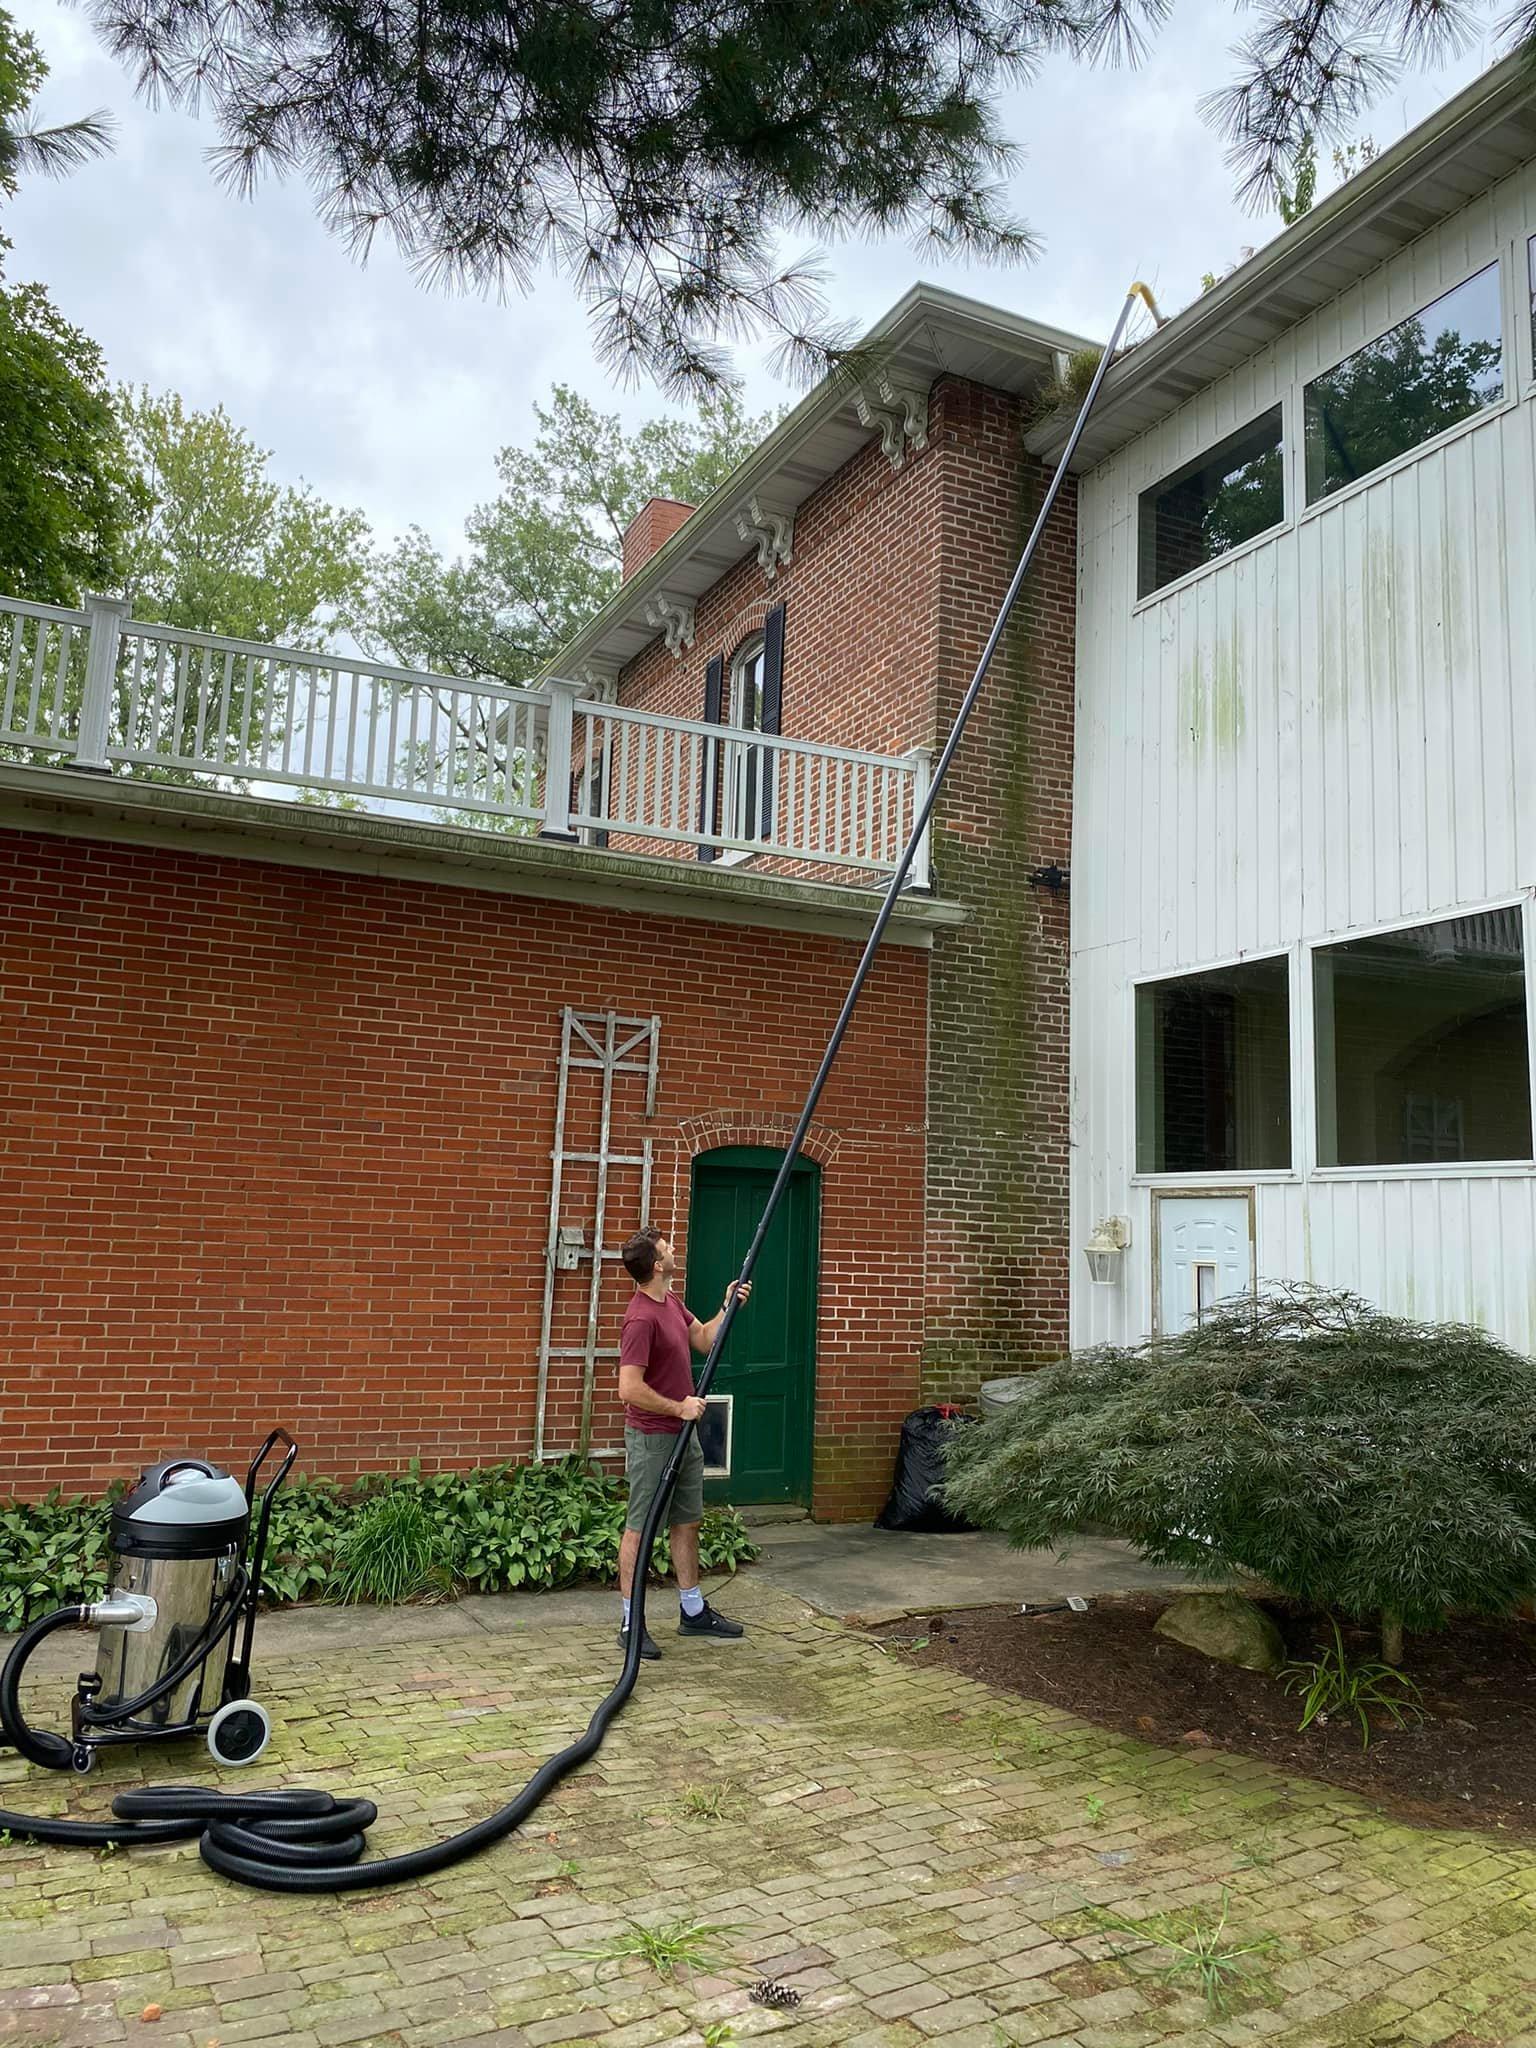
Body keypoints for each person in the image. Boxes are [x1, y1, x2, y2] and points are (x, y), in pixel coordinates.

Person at [616, 1225, 750, 1660]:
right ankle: (629, 1622)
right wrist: (678, 1408)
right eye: (667, 1248)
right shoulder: (640, 1318)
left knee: (687, 1521)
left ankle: (692, 1611)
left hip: (683, 1435)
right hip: (653, 1439)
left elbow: (704, 1339)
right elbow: (629, 1388)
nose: (674, 1249)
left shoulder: (671, 1302)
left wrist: (726, 1307)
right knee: (640, 1528)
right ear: (657, 1265)